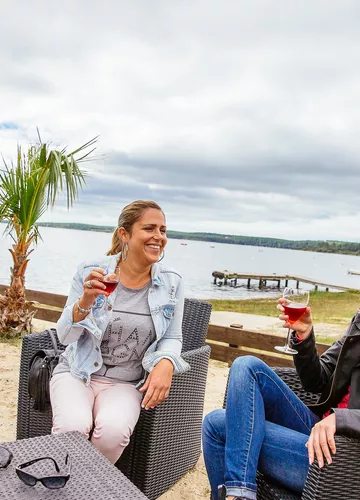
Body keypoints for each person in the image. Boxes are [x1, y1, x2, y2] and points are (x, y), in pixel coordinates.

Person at [50, 200, 188, 463]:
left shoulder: (172, 282)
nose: (159, 237)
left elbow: (172, 336)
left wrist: (167, 361)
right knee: (72, 427)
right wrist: (85, 302)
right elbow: (65, 337)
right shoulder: (91, 272)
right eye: (149, 228)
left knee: (112, 433)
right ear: (124, 234)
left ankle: (88, 486)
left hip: (125, 382)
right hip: (78, 372)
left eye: (163, 230)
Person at [202, 295, 360, 500]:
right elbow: (317, 381)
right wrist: (304, 336)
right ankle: (240, 492)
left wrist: (340, 419)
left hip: (342, 458)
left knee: (217, 426)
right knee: (246, 366)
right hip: (317, 429)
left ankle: (238, 493)